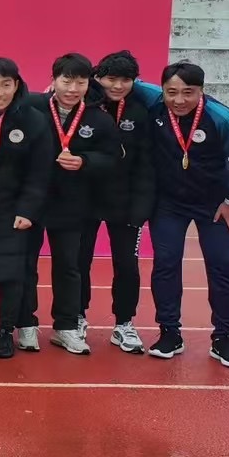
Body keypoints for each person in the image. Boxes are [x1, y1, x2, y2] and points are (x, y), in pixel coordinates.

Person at [132, 62, 229, 368]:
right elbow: (116, 81)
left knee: (223, 266)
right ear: (162, 90)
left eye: (188, 92)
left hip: (214, 204)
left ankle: (224, 338)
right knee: (166, 263)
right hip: (169, 203)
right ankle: (169, 333)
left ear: (201, 90)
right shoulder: (153, 99)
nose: (179, 100)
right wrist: (56, 87)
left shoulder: (220, 117)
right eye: (171, 92)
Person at [19, 54, 118, 356]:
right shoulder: (32, 107)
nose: (73, 89)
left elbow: (112, 158)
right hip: (32, 201)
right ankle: (25, 323)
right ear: (53, 80)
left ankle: (65, 326)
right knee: (25, 264)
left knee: (69, 267)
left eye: (80, 82)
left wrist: (85, 161)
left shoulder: (99, 118)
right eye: (67, 80)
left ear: (89, 84)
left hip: (72, 204)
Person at [0, 58, 54, 360]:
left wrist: (28, 209)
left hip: (13, 209)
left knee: (12, 272)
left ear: (16, 85)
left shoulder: (33, 120)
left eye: (6, 85)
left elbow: (40, 172)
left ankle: (4, 331)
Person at [78, 50, 156, 354]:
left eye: (126, 79)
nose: (118, 85)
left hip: (124, 202)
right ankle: (76, 318)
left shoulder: (139, 111)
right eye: (111, 78)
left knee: (127, 265)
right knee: (79, 261)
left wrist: (141, 207)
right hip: (85, 200)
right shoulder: (83, 105)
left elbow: (146, 164)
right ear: (98, 77)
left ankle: (124, 323)